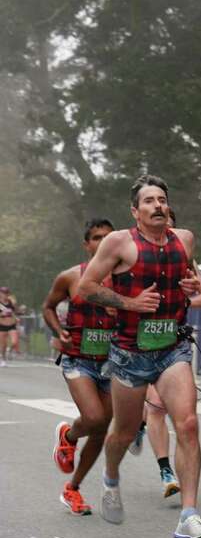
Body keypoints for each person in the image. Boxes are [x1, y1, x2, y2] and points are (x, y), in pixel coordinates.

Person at [78, 174, 201, 538]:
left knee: (187, 424)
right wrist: (130, 303)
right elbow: (86, 287)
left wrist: (191, 290)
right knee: (123, 433)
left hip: (173, 348)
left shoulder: (184, 240)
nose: (157, 206)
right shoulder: (118, 242)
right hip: (129, 354)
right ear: (135, 211)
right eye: (149, 201)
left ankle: (189, 515)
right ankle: (110, 478)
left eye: (162, 199)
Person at [44, 219, 116, 515]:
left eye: (108, 237)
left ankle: (72, 489)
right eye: (96, 238)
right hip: (78, 359)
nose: (102, 242)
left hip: (113, 362)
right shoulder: (70, 277)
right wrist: (57, 330)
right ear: (87, 245)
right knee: (95, 417)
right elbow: (48, 306)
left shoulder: (127, 278)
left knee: (100, 430)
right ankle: (70, 436)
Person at [142, 207, 201, 498]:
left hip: (172, 344)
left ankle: (167, 471)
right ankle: (160, 465)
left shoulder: (184, 260)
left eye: (171, 224)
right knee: (149, 408)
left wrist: (186, 302)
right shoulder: (133, 254)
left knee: (168, 410)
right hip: (138, 342)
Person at [0, 286, 23, 365]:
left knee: (15, 341)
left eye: (6, 293)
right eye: (3, 293)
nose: (5, 295)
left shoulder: (11, 302)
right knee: (3, 345)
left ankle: (9, 350)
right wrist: (2, 314)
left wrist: (18, 310)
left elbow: (17, 311)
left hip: (11, 325)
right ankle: (3, 360)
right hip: (2, 326)